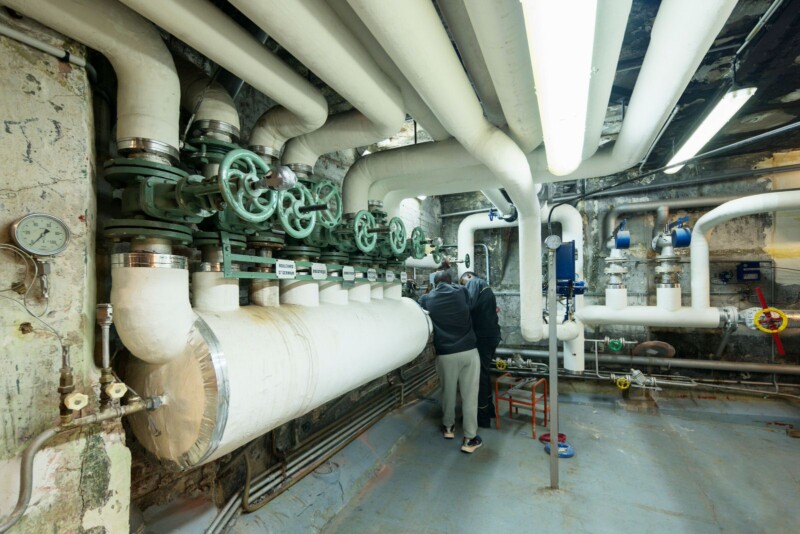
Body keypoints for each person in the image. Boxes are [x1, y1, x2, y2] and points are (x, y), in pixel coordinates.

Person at [419, 270, 483, 453]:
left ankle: (448, 428)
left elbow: (419, 309)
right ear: (451, 281)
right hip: (469, 351)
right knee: (470, 396)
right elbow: (470, 301)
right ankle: (470, 438)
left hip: (446, 353)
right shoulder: (460, 292)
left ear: (435, 283)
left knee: (447, 391)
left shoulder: (426, 299)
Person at [460, 271, 501, 428]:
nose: (465, 286)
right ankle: (489, 410)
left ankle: (482, 418)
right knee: (485, 372)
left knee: (480, 376)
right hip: (491, 336)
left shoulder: (475, 283)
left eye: (463, 283)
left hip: (483, 338)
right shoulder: (486, 287)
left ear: (469, 276)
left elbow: (467, 307)